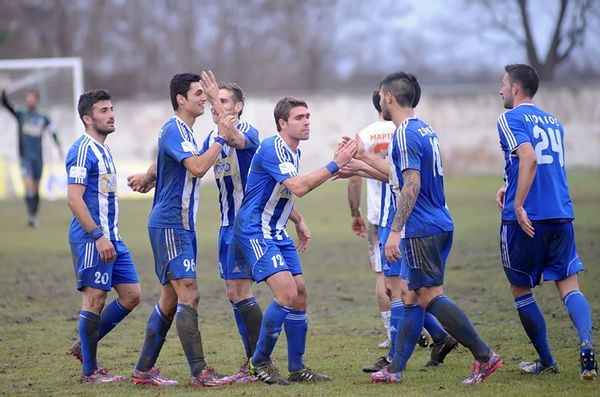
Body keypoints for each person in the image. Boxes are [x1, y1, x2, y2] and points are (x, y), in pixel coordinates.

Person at [355, 72, 502, 385]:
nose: (380, 100)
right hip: (437, 221)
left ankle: (484, 356)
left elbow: (411, 184)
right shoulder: (422, 129)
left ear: (389, 98)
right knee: (411, 296)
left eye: (381, 95)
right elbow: (399, 176)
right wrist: (363, 159)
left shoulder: (405, 133)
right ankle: (395, 368)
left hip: (421, 227)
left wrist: (395, 231)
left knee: (431, 297)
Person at [229, 96, 358, 385]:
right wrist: (334, 164)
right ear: (282, 123)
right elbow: (298, 187)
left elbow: (280, 192)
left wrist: (297, 219)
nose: (307, 121)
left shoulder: (292, 151)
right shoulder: (273, 147)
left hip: (276, 231)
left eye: (308, 116)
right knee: (286, 293)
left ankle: (297, 368)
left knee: (299, 294)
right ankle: (259, 362)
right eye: (300, 117)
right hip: (254, 230)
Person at [127, 72, 236, 387]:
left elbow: (171, 160)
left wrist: (149, 176)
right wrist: (220, 137)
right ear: (180, 99)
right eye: (198, 93)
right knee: (190, 291)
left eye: (205, 94)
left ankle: (144, 371)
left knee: (170, 300)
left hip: (182, 225)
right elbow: (199, 167)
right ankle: (200, 373)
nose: (203, 98)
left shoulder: (184, 131)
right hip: (170, 223)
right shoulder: (174, 128)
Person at [496, 63, 596, 380]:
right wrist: (508, 186)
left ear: (515, 88)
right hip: (561, 213)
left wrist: (518, 202)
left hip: (527, 218)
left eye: (503, 84)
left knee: (521, 290)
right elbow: (538, 163)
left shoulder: (509, 117)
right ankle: (586, 343)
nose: (500, 90)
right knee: (570, 287)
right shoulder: (554, 121)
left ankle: (547, 360)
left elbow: (529, 157)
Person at [65, 89, 141, 384]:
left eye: (112, 109)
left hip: (113, 238)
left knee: (132, 295)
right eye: (103, 111)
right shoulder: (82, 149)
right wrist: (97, 235)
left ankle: (84, 347)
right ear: (87, 118)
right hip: (92, 239)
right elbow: (74, 198)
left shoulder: (105, 150)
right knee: (95, 299)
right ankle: (90, 372)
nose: (111, 115)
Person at [200, 82, 262, 383]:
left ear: (238, 106)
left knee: (241, 291)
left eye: (222, 100)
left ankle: (259, 361)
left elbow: (236, 139)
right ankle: (256, 361)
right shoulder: (213, 138)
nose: (215, 105)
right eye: (213, 100)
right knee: (234, 293)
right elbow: (191, 161)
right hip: (226, 226)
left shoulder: (248, 132)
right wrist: (149, 176)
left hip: (246, 226)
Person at [347, 90, 396, 350]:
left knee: (382, 275)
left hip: (379, 214)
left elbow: (354, 177)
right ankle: (417, 327)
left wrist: (355, 213)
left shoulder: (364, 135)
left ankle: (393, 334)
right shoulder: (406, 129)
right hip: (411, 212)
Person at [2, 89, 63, 227]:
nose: (29, 101)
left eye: (31, 99)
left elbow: (53, 131)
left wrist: (59, 146)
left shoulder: (43, 117)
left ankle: (33, 216)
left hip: (38, 158)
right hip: (25, 157)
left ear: (36, 100)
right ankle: (30, 216)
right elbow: (6, 105)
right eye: (27, 99)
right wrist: (3, 92)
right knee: (28, 187)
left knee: (35, 190)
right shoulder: (21, 114)